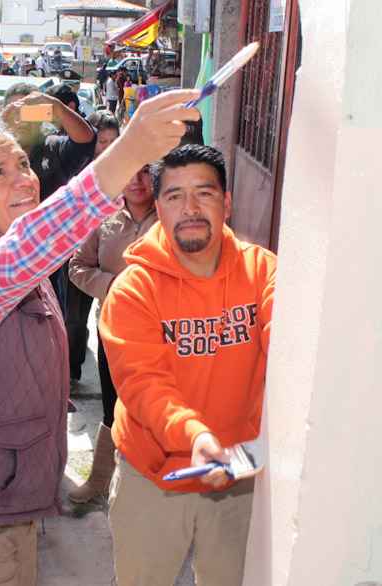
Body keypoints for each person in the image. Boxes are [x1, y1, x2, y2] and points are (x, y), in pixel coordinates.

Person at [0, 89, 201, 585]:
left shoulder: (6, 247)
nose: (23, 180)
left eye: (22, 162)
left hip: (0, 508)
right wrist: (126, 152)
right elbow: (25, 249)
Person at [100, 144, 275, 585]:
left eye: (205, 193)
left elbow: (290, 348)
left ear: (227, 202)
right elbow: (144, 384)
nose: (191, 208)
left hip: (238, 475)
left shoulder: (263, 273)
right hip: (153, 475)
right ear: (158, 207)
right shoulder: (133, 288)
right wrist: (194, 434)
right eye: (175, 196)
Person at [67, 114, 158, 504]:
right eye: (129, 174)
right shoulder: (102, 219)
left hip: (160, 333)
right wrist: (114, 286)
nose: (136, 182)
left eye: (144, 173)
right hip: (113, 328)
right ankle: (101, 481)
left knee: (153, 407)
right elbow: (76, 267)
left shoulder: (168, 218)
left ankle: (149, 488)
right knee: (112, 403)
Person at [0, 82, 96, 318]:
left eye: (27, 110)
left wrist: (57, 108)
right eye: (14, 110)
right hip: (3, 254)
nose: (20, 118)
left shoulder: (52, 146)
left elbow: (85, 140)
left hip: (47, 257)